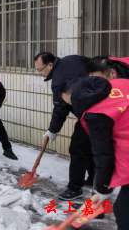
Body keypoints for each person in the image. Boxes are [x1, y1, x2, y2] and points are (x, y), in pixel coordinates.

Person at [60, 77, 129, 230]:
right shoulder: (116, 84)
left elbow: (103, 154)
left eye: (70, 103)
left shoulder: (94, 114)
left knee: (124, 211)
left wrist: (103, 189)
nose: (72, 107)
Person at [34, 52, 94, 200]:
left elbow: (60, 108)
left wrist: (53, 130)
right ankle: (94, 178)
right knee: (92, 145)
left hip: (91, 112)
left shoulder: (58, 80)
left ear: (50, 65)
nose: (39, 73)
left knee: (77, 148)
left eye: (40, 70)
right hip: (101, 104)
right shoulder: (72, 59)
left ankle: (74, 189)